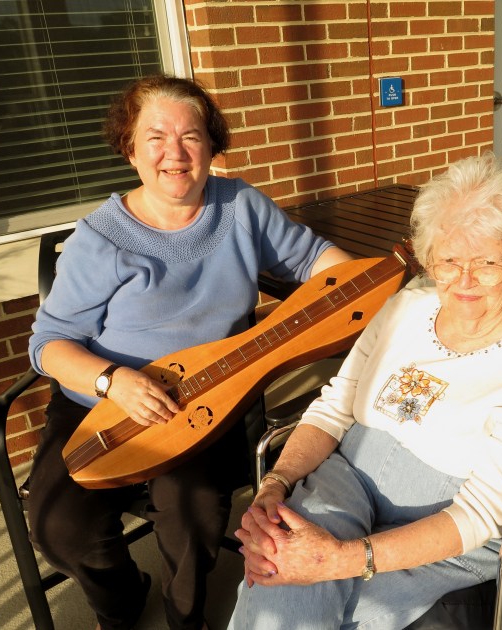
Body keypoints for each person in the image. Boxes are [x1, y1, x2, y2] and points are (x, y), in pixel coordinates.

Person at [26, 74, 351, 630]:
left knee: (193, 512)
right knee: (61, 529)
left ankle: (185, 619)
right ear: (129, 147)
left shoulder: (241, 206)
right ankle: (123, 601)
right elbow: (48, 344)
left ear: (211, 144)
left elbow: (314, 259)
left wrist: (357, 290)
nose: (174, 153)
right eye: (155, 137)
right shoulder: (99, 239)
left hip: (210, 399)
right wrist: (113, 381)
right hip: (99, 404)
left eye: (192, 136)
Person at [228, 153, 502, 629]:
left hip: (449, 525)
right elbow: (334, 407)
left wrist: (339, 560)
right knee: (278, 583)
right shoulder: (405, 309)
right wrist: (277, 484)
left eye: (487, 263)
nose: (463, 281)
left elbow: (476, 516)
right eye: (449, 261)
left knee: (351, 615)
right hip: (350, 476)